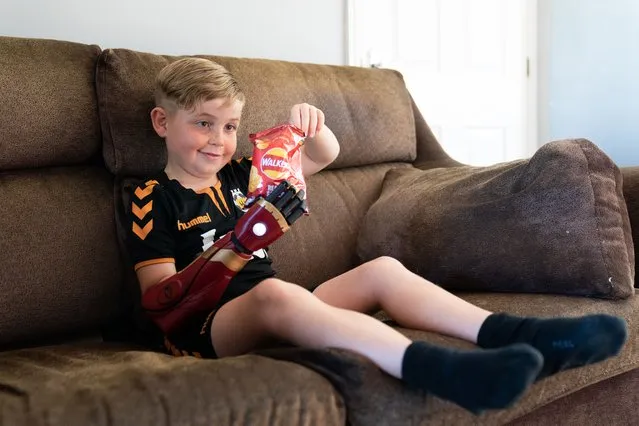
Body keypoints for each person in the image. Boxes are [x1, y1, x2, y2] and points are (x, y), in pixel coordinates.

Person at [126, 57, 628, 414]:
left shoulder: (244, 173)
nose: (218, 139)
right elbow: (162, 303)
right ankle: (442, 371)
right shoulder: (152, 197)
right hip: (205, 330)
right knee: (275, 293)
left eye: (229, 126)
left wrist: (312, 127)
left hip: (280, 304)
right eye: (203, 123)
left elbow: (322, 155)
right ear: (162, 122)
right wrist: (238, 248)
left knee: (382, 270)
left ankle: (526, 336)